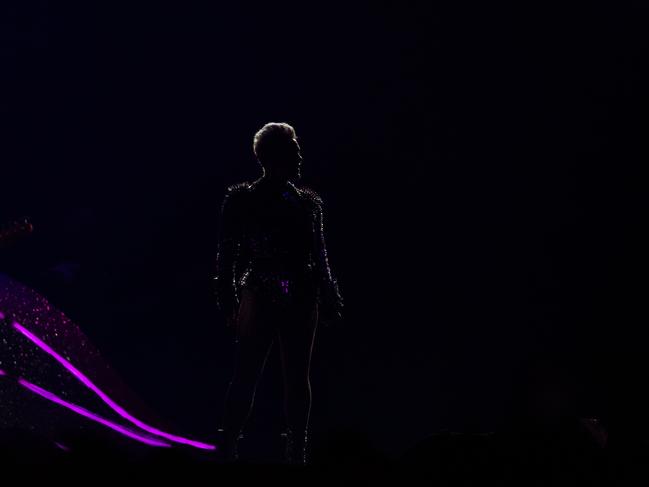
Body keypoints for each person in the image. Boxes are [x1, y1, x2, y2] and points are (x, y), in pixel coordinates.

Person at [214, 122, 343, 464]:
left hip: (297, 294)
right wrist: (227, 297)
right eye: (293, 148)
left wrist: (329, 293)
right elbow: (226, 253)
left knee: (295, 375)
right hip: (263, 292)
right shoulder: (244, 200)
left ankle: (294, 450)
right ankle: (229, 444)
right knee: (248, 372)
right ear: (274, 156)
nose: (300, 155)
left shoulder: (307, 203)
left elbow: (319, 252)